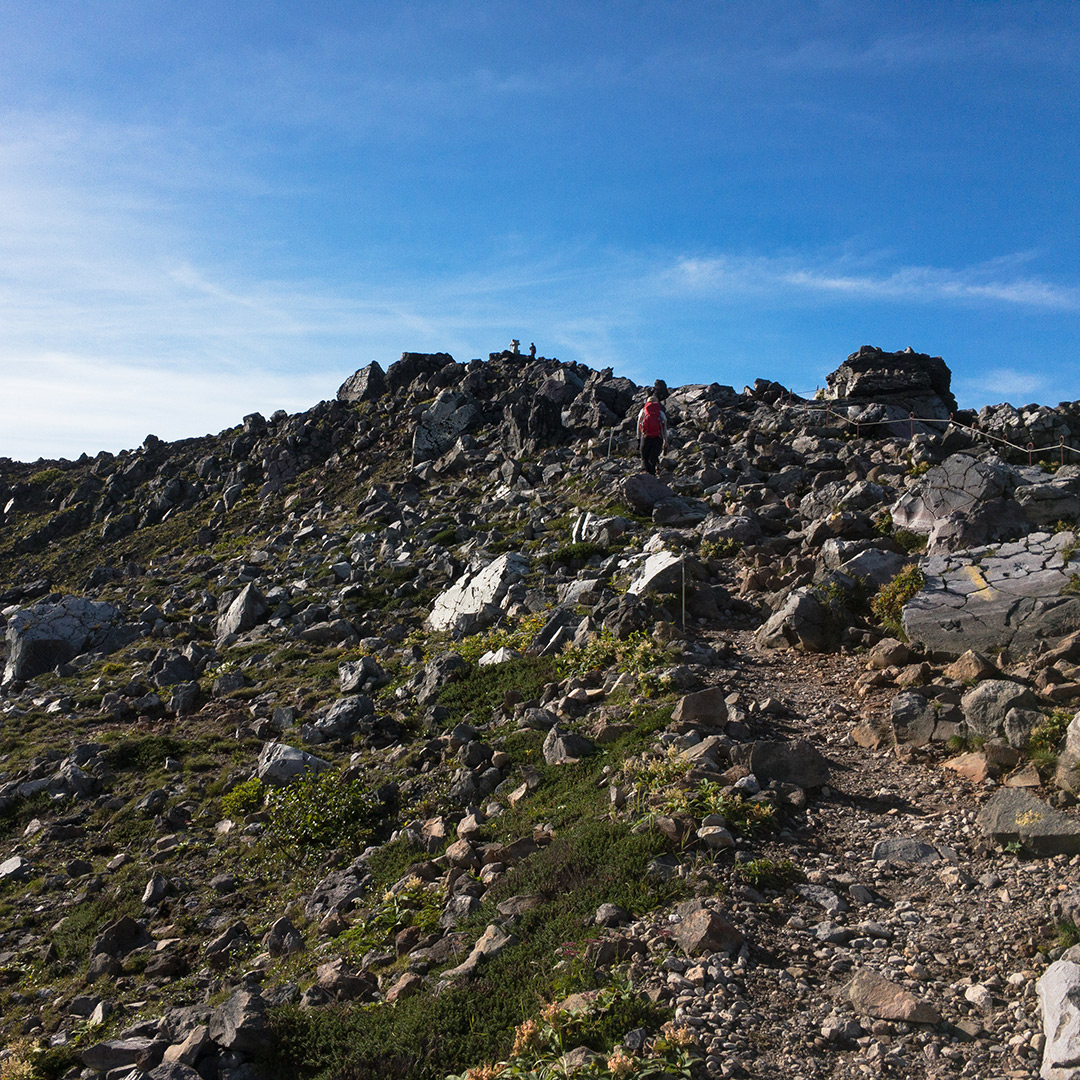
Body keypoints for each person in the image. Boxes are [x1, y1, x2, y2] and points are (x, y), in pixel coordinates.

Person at [637, 393, 667, 475]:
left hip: (646, 436)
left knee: (644, 457)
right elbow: (664, 427)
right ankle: (652, 475)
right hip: (658, 437)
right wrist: (665, 440)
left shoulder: (643, 411)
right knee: (653, 457)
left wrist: (639, 437)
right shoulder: (660, 413)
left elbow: (639, 424)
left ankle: (644, 472)